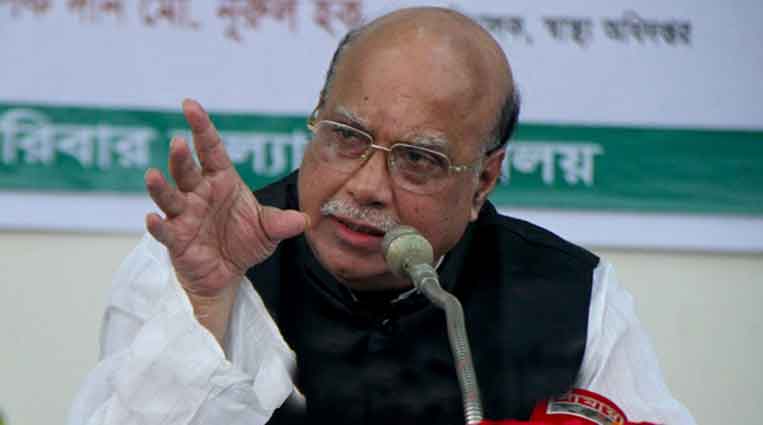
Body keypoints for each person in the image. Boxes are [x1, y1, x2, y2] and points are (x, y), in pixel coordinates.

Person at [68, 7, 695, 425]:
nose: (367, 187)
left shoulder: (570, 297)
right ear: (317, 114)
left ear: (483, 180)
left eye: (418, 159)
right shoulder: (197, 261)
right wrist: (207, 308)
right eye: (345, 136)